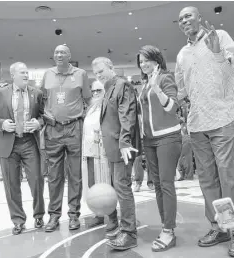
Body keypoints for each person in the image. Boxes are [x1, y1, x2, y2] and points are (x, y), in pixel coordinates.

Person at [175, 6, 234, 257]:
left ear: (198, 17)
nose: (184, 20)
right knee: (207, 180)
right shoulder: (182, 53)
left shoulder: (220, 36)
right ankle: (218, 226)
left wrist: (218, 52)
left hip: (223, 118)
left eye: (188, 15)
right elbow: (181, 90)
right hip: (197, 124)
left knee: (229, 178)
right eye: (181, 18)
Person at [0, 62, 45, 235]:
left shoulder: (37, 93)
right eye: (22, 72)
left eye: (27, 72)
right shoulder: (1, 92)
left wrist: (38, 123)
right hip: (8, 144)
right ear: (13, 75)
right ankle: (18, 220)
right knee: (12, 186)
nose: (26, 75)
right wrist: (1, 124)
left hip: (29, 143)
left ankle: (39, 215)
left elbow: (43, 116)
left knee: (37, 181)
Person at [40, 45, 91, 232]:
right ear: (53, 56)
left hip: (74, 128)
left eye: (63, 52)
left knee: (75, 175)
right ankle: (53, 216)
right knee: (54, 176)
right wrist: (44, 116)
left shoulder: (81, 74)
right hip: (53, 130)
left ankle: (74, 215)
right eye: (56, 52)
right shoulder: (47, 74)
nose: (59, 54)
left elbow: (89, 100)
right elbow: (40, 101)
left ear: (70, 56)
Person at [137, 45, 182, 252]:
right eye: (140, 61)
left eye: (146, 60)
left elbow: (173, 107)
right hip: (150, 140)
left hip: (168, 137)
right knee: (156, 185)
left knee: (166, 184)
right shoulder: (145, 83)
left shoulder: (165, 78)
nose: (143, 64)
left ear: (157, 60)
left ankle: (169, 230)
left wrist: (157, 88)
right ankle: (166, 226)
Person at [92, 57, 139, 250]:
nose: (99, 75)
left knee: (122, 188)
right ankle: (123, 227)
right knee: (118, 188)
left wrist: (125, 142)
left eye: (101, 71)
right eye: (95, 73)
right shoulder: (108, 89)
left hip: (122, 148)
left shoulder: (122, 86)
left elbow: (127, 116)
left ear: (111, 67)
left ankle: (129, 233)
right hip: (112, 148)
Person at [82, 80, 110, 228]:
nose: (95, 93)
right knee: (93, 185)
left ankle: (110, 215)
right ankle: (98, 213)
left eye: (98, 90)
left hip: (104, 153)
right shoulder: (90, 108)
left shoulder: (108, 106)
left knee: (106, 184)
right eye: (93, 91)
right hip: (90, 153)